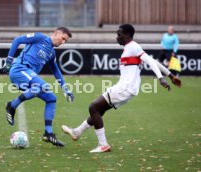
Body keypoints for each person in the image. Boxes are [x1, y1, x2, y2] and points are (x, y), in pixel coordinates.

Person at [62, 24, 181, 153]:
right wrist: (170, 75)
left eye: (119, 35)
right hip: (127, 89)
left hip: (125, 88)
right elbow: (152, 60)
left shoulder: (133, 47)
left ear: (127, 35)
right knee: (99, 110)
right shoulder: (132, 48)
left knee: (93, 107)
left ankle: (103, 145)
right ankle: (77, 132)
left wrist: (161, 78)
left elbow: (151, 62)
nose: (116, 37)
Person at [3, 27, 74, 147]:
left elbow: (56, 71)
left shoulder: (51, 53)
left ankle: (48, 133)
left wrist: (65, 88)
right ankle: (12, 106)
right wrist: (9, 60)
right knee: (43, 86)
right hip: (19, 70)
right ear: (56, 33)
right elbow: (17, 40)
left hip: (28, 78)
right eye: (62, 39)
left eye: (65, 41)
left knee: (51, 98)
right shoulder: (40, 38)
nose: (63, 42)